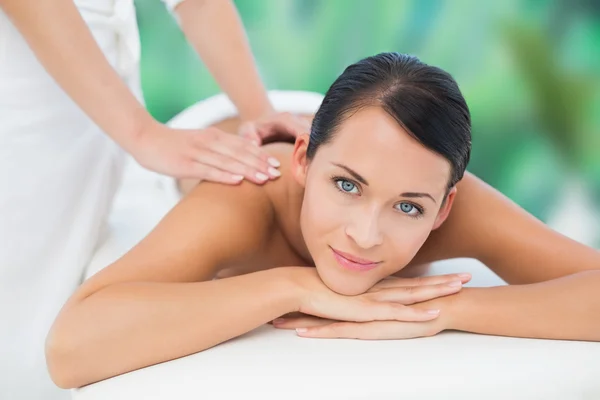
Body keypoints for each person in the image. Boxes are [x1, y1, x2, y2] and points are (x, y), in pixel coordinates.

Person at [46, 52, 600, 389]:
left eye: (408, 207)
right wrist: (293, 285)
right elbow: (71, 347)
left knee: (377, 154)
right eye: (346, 187)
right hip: (232, 128)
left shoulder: (436, 186)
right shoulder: (242, 201)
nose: (365, 234)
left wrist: (443, 310)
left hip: (353, 124)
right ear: (303, 162)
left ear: (443, 207)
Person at [0, 0, 308, 399]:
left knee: (48, 303)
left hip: (95, 93)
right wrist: (143, 135)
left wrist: (259, 113)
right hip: (30, 87)